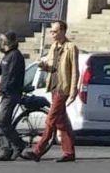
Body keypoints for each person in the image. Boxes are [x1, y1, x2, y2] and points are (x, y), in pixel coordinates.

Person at [25, 19, 79, 162]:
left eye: (55, 31)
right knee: (61, 121)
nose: (52, 34)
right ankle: (69, 153)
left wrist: (73, 90)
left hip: (63, 87)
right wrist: (43, 65)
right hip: (53, 86)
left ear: (62, 31)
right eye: (51, 31)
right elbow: (51, 65)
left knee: (51, 119)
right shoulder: (54, 46)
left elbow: (74, 70)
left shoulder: (71, 47)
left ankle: (38, 150)